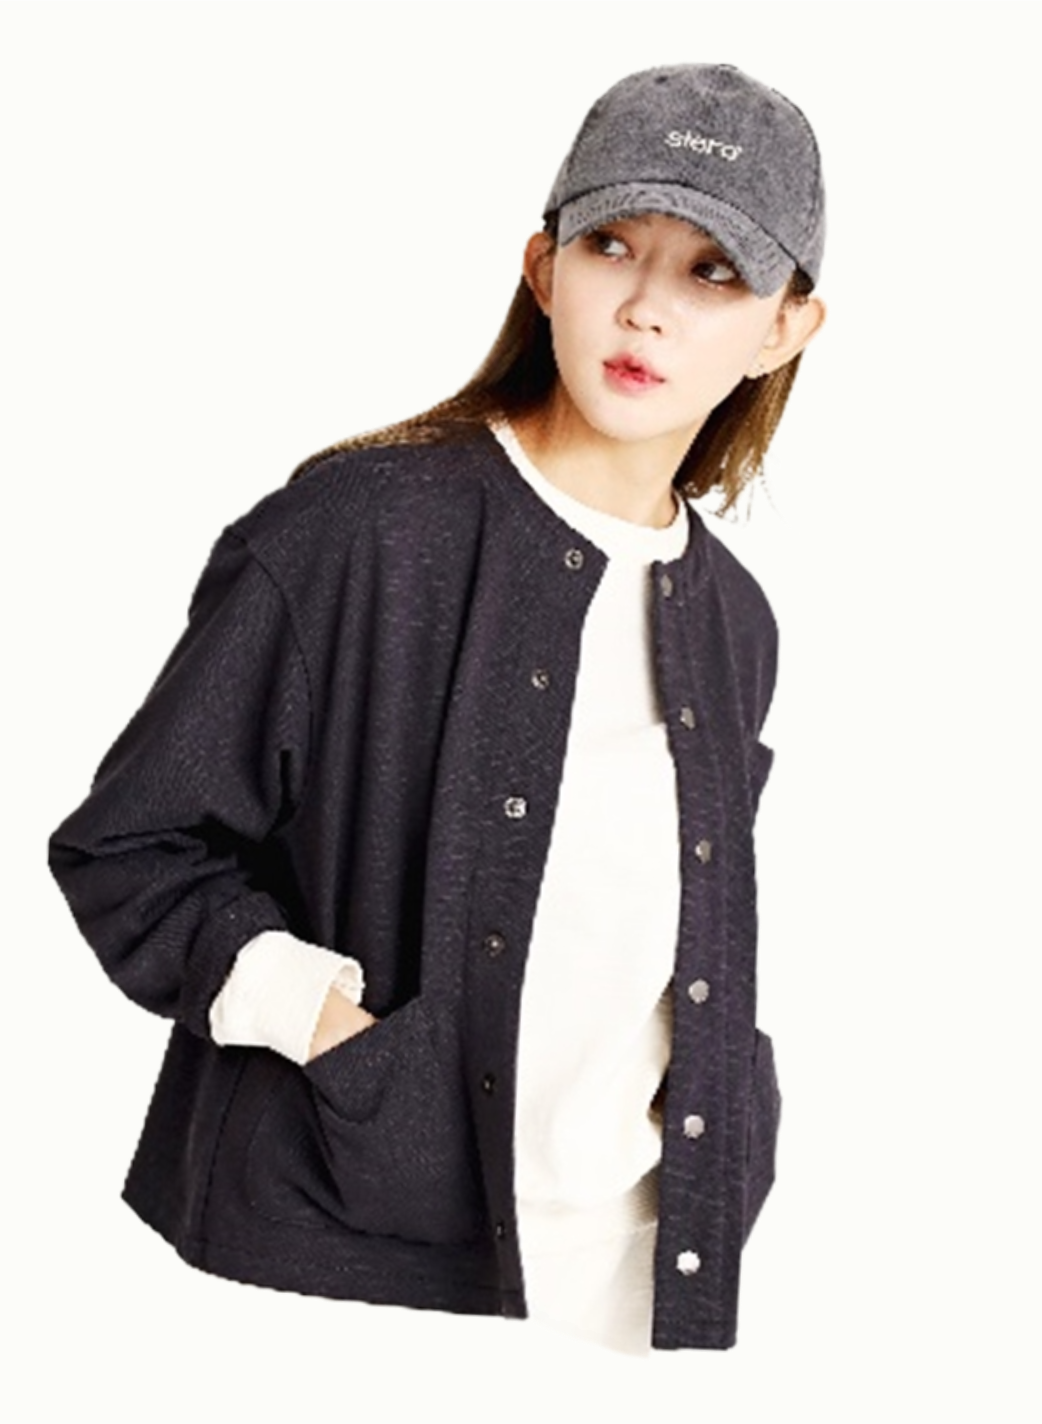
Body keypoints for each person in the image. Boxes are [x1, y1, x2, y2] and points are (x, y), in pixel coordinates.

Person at [47, 61, 828, 1358]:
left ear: (786, 328)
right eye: (612, 245)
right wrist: (326, 1027)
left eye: (713, 273)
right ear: (542, 266)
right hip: (345, 1257)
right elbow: (128, 849)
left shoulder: (735, 619)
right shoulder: (355, 530)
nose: (646, 307)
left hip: (639, 1258)